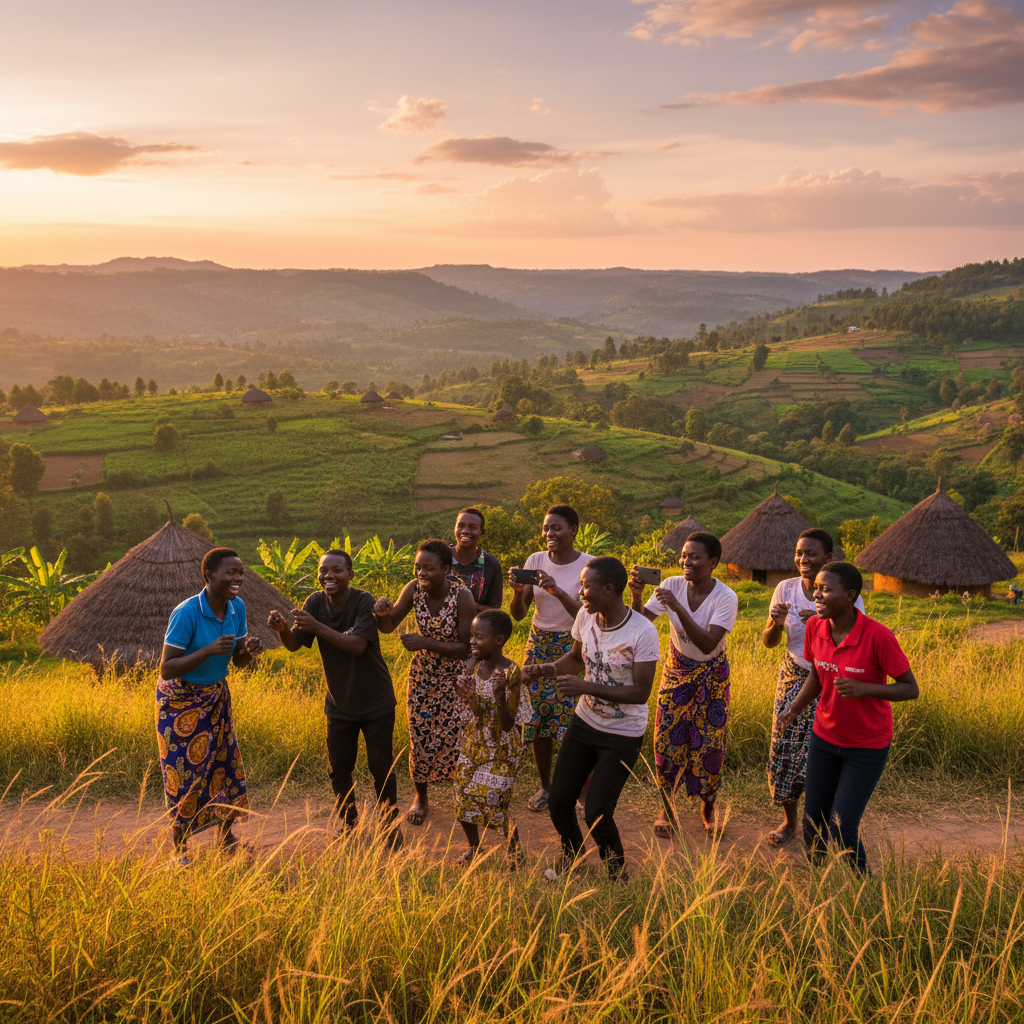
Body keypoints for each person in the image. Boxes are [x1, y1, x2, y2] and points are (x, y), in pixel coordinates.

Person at [777, 561, 918, 873]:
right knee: (814, 821)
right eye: (816, 588)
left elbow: (910, 689)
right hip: (825, 737)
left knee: (841, 825)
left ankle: (862, 888)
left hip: (866, 746)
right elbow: (817, 672)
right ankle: (817, 878)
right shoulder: (815, 626)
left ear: (850, 595)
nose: (817, 595)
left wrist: (864, 688)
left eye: (826, 589)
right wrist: (795, 707)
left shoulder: (877, 636)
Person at [527, 556, 660, 880]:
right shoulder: (586, 618)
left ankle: (616, 872)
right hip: (586, 722)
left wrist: (584, 685)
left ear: (610, 589)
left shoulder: (642, 631)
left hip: (622, 733)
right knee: (559, 801)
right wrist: (546, 670)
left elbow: (640, 692)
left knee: (598, 810)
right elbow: (575, 657)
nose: (581, 592)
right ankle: (573, 855)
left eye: (586, 586)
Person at [267, 549, 401, 845]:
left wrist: (316, 626)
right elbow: (295, 645)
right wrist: (281, 631)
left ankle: (390, 827)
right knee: (338, 769)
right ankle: (350, 824)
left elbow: (357, 646)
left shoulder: (363, 601)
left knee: (381, 767)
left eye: (337, 570)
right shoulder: (314, 602)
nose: (329, 575)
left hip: (375, 701)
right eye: (323, 570)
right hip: (339, 703)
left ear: (350, 575)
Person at [158, 547, 264, 865]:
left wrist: (248, 650)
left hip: (216, 695)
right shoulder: (187, 612)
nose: (238, 578)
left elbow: (239, 661)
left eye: (240, 572)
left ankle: (226, 837)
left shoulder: (237, 608)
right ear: (210, 576)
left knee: (225, 765)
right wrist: (206, 651)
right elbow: (167, 667)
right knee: (184, 774)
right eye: (231, 572)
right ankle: (180, 849)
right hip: (180, 702)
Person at [629, 532, 738, 836]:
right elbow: (639, 624)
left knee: (709, 745)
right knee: (666, 740)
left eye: (695, 556)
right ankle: (667, 806)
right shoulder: (671, 585)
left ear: (713, 562)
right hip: (676, 671)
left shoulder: (726, 597)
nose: (686, 562)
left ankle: (708, 807)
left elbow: (707, 644)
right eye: (684, 556)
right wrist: (637, 598)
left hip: (711, 676)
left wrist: (677, 607)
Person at [761, 529, 863, 848]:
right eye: (799, 553)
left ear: (828, 558)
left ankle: (824, 826)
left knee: (824, 757)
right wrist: (774, 624)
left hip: (831, 680)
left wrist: (822, 620)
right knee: (784, 751)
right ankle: (791, 823)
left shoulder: (846, 593)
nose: (803, 560)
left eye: (812, 554)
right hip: (794, 676)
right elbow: (769, 643)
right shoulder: (785, 589)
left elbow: (855, 642)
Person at [374, 539, 474, 826]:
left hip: (456, 678)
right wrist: (381, 613)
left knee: (457, 738)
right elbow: (389, 626)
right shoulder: (413, 590)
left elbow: (466, 647)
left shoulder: (462, 596)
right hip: (423, 676)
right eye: (418, 567)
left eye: (429, 568)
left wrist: (424, 642)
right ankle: (421, 798)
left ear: (445, 568)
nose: (421, 573)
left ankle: (461, 795)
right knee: (420, 736)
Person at [509, 504, 593, 813]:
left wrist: (557, 591)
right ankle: (546, 786)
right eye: (546, 528)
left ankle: (581, 790)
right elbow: (518, 615)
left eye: (556, 528)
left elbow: (589, 617)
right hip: (538, 643)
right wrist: (519, 592)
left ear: (573, 530)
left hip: (573, 645)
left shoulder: (589, 566)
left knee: (575, 720)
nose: (549, 534)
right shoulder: (536, 560)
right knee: (538, 719)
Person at [453, 609, 529, 863]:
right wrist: (467, 695)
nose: (472, 641)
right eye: (471, 635)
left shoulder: (511, 672)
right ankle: (475, 848)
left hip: (502, 749)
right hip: (474, 744)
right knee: (462, 797)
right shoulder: (472, 665)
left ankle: (514, 848)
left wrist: (499, 698)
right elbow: (476, 711)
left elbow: (508, 725)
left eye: (479, 637)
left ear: (499, 640)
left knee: (492, 802)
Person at [449, 507, 503, 611]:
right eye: (461, 526)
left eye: (472, 527)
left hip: (476, 627)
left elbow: (494, 610)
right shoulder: (440, 558)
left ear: (481, 532)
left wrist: (466, 604)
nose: (465, 531)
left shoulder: (491, 564)